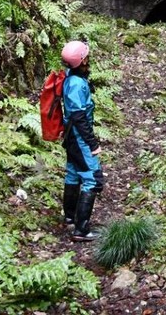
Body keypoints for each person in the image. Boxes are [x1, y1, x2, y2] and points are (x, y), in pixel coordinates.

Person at [60, 39, 103, 241]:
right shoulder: (76, 84)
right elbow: (78, 117)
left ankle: (70, 217)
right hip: (78, 137)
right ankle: (81, 230)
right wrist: (92, 143)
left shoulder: (72, 76)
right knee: (93, 179)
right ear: (82, 60)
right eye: (86, 56)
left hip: (71, 136)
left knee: (73, 173)